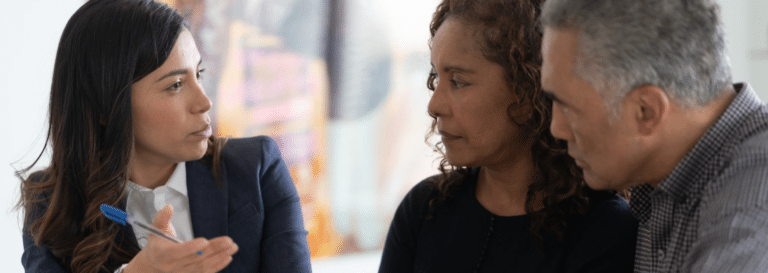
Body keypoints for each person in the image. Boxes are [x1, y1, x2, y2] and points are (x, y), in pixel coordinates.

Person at [17, 0, 311, 272]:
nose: (204, 102)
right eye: (176, 85)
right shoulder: (51, 201)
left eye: (199, 74)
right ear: (105, 107)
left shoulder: (257, 168)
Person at [378, 0, 638, 272]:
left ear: (527, 90)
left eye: (458, 81)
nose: (434, 106)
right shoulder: (424, 210)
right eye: (435, 78)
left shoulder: (605, 230)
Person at [539, 0, 768, 272]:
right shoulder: (663, 176)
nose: (556, 128)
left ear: (646, 112)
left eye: (568, 106)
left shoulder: (751, 212)